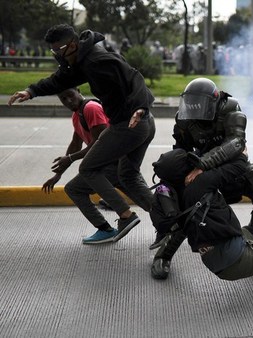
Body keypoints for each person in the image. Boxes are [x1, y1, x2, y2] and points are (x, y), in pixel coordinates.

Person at [8, 24, 156, 243]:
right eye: (53, 52)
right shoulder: (81, 61)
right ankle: (170, 223)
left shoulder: (96, 61)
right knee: (128, 176)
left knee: (88, 167)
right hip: (136, 122)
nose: (57, 56)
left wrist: (140, 107)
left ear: (73, 45)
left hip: (131, 122)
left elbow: (135, 77)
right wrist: (31, 91)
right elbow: (59, 80)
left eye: (59, 50)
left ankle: (126, 216)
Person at [149, 78, 253, 280]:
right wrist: (182, 175)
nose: (196, 112)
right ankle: (163, 255)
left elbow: (236, 143)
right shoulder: (183, 118)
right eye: (192, 106)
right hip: (201, 170)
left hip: (232, 167)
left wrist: (203, 164)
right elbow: (181, 151)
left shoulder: (231, 109)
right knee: (188, 207)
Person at [149, 153, 253, 306]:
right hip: (239, 259)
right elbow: (241, 162)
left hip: (217, 262)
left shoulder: (174, 194)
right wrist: (203, 166)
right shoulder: (201, 182)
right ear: (188, 171)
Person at [42, 88, 120, 243]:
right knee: (142, 197)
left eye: (70, 95)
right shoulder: (78, 114)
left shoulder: (91, 108)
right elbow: (76, 143)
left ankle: (107, 229)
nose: (68, 101)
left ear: (78, 90)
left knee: (74, 189)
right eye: (63, 98)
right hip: (105, 164)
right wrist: (58, 173)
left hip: (111, 164)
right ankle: (166, 224)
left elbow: (100, 142)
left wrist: (70, 158)